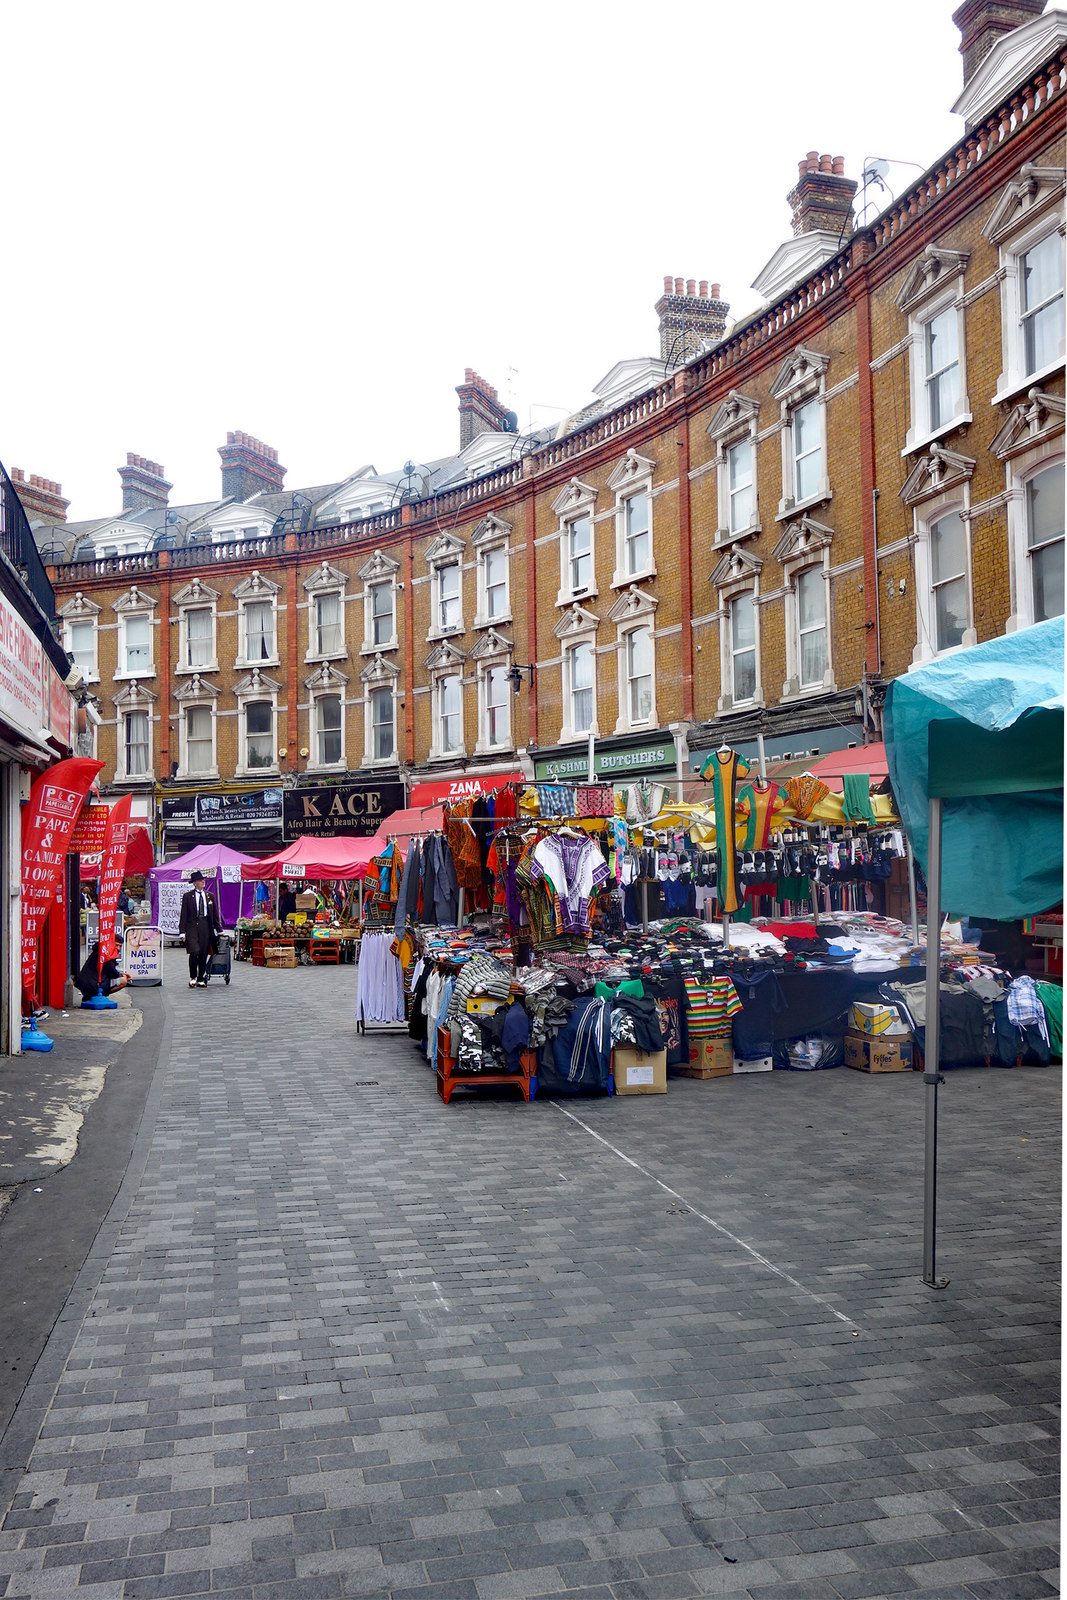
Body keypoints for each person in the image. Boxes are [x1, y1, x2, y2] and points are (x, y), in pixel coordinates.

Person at [179, 869, 221, 988]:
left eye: (203, 880)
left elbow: (215, 914)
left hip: (205, 926)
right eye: (200, 880)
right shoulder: (188, 896)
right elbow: (184, 914)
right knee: (194, 951)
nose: (203, 882)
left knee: (203, 952)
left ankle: (201, 978)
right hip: (192, 926)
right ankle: (193, 977)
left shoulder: (210, 895)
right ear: (195, 883)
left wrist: (219, 929)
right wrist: (182, 932)